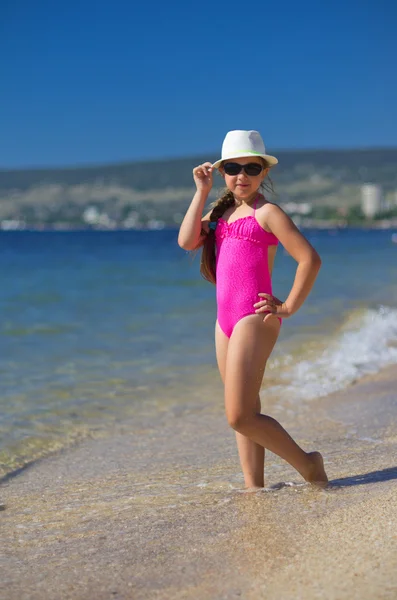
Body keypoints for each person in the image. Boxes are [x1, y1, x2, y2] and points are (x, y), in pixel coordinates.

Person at [178, 130, 328, 489]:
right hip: (224, 322)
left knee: (239, 416)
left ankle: (309, 465)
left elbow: (310, 259)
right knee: (246, 408)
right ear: (222, 171)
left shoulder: (268, 213)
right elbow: (186, 241)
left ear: (264, 173)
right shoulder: (220, 212)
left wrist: (289, 305)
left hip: (254, 316)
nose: (241, 175)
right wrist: (200, 193)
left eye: (251, 167)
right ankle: (254, 487)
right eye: (233, 167)